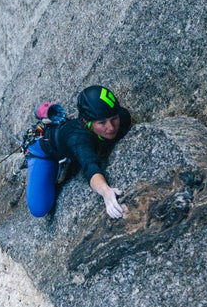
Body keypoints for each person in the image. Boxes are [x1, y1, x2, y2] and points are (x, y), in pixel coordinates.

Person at [25, 85, 132, 218]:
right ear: (86, 121)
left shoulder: (121, 117)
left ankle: (50, 112)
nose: (111, 127)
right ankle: (45, 112)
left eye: (113, 119)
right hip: (45, 150)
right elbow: (90, 168)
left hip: (67, 141)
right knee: (39, 209)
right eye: (102, 123)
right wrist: (106, 192)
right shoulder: (79, 138)